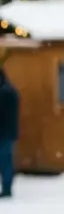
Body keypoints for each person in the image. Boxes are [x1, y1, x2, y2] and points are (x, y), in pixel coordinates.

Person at [0, 65, 20, 198]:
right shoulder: (10, 90)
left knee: (5, 160)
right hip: (8, 131)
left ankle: (7, 188)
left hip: (4, 132)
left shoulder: (5, 92)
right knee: (6, 160)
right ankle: (7, 186)